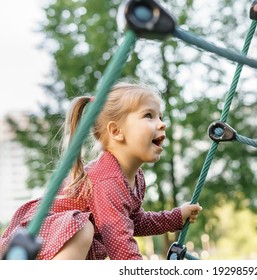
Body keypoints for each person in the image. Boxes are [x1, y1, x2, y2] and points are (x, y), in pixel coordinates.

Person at [0, 81, 202, 260]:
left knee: (84, 229)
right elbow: (119, 244)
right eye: (149, 115)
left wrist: (175, 217)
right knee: (82, 228)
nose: (162, 123)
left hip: (59, 246)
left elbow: (134, 222)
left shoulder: (135, 178)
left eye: (160, 116)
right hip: (38, 240)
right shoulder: (108, 179)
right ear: (116, 131)